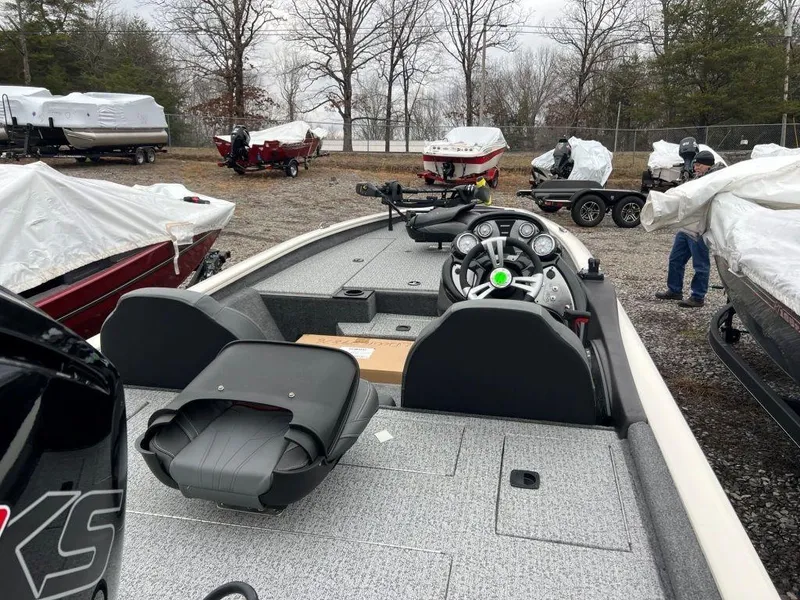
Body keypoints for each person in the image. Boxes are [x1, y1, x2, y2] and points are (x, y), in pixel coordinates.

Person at [654, 150, 724, 308]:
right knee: (675, 260)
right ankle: (674, 290)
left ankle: (698, 296)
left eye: (700, 164)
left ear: (709, 165)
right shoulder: (696, 179)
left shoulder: (715, 181)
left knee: (700, 265)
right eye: (695, 164)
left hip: (699, 231)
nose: (696, 167)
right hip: (685, 229)